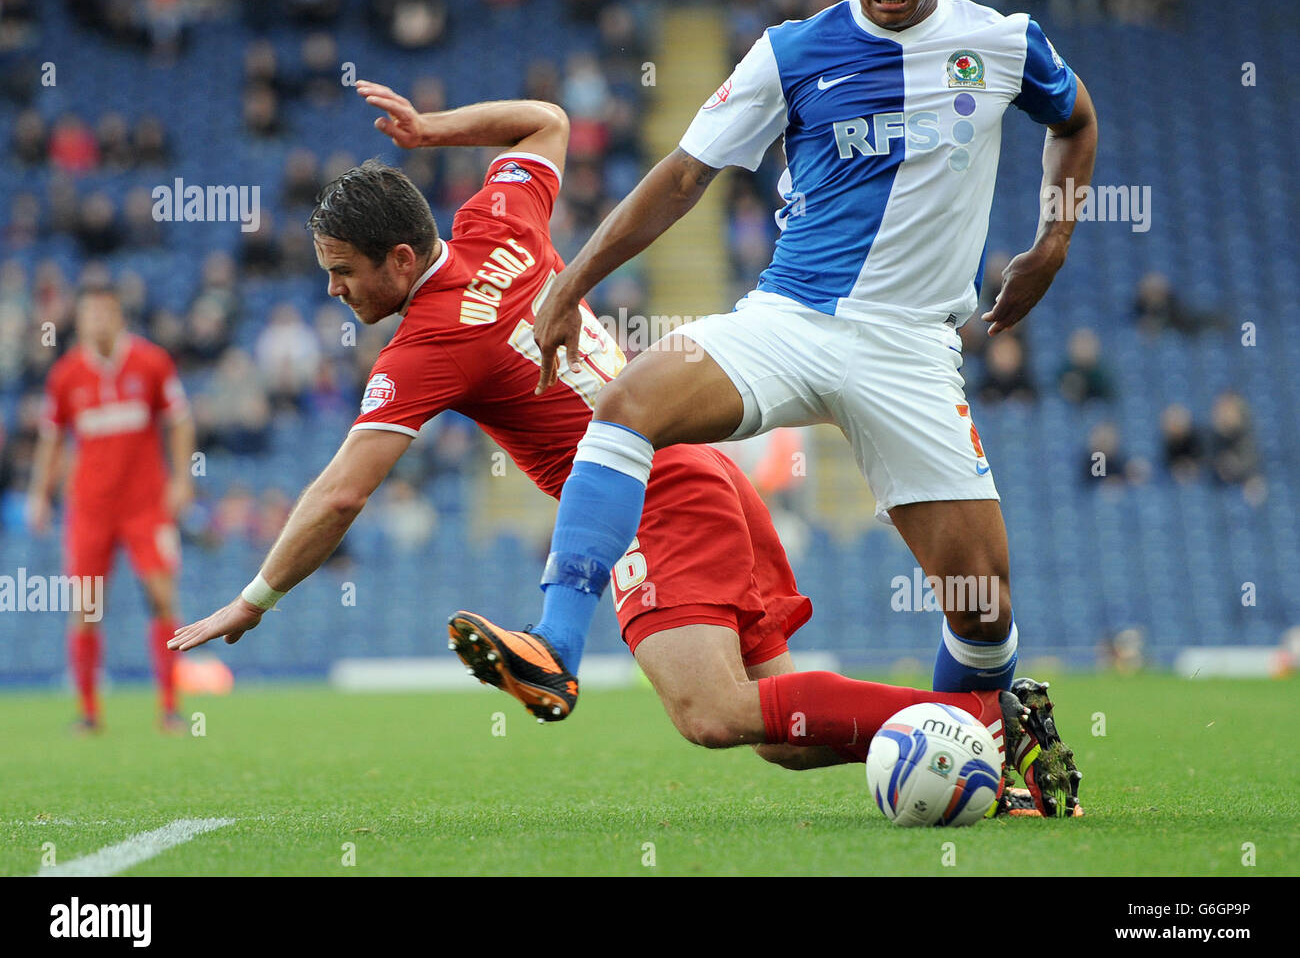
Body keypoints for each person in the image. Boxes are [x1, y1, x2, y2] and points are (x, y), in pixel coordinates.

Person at [167, 83, 1080, 817]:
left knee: (709, 713)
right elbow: (545, 120)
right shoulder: (499, 223)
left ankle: (979, 724)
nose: (332, 289)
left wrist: (254, 600)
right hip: (695, 469)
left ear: (402, 260)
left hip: (652, 499)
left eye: (342, 270)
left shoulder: (429, 344)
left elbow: (339, 495)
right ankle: (971, 741)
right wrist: (429, 130)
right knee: (776, 729)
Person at [462, 0, 1099, 722]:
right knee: (626, 402)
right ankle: (555, 643)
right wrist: (573, 278)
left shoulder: (1005, 44)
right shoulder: (792, 51)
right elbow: (685, 175)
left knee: (981, 605)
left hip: (910, 346)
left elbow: (1076, 119)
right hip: (791, 318)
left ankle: (989, 745)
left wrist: (1052, 240)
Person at [28, 284, 195, 732]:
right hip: (89, 508)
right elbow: (51, 439)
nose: (97, 321)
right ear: (79, 319)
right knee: (86, 607)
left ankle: (170, 707)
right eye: (89, 313)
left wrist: (181, 479)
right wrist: (39, 494)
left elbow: (179, 422)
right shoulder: (65, 375)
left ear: (119, 317)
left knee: (162, 598)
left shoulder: (151, 362)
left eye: (105, 313)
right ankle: (88, 712)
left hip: (146, 505)